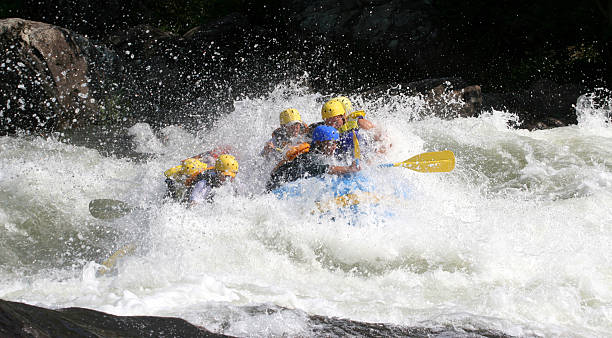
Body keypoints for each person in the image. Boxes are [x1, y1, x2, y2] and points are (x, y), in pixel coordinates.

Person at [266, 125, 360, 192]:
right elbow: (325, 169)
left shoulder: (321, 154)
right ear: (319, 143)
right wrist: (348, 169)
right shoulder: (308, 157)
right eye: (331, 144)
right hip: (275, 186)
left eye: (335, 143)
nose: (334, 147)